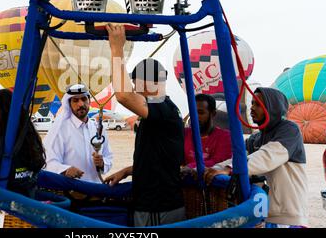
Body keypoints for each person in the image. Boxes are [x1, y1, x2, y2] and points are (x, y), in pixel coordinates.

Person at [105, 24, 186, 227]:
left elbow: (123, 96)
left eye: (135, 84)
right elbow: (157, 160)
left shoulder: (164, 110)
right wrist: (127, 171)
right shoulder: (159, 114)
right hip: (150, 204)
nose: (134, 89)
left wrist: (116, 48)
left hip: (158, 208)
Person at [204, 87, 308, 228]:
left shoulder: (290, 130)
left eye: (258, 104)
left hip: (287, 216)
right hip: (266, 214)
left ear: (273, 107)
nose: (252, 108)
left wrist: (230, 169)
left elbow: (268, 155)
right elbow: (238, 159)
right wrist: (214, 169)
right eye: (252, 103)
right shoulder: (256, 138)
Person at [44, 83, 113, 183]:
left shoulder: (98, 128)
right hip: (70, 191)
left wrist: (102, 163)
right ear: (69, 104)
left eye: (84, 99)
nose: (81, 104)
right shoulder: (61, 130)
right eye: (75, 100)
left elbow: (109, 158)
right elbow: (49, 163)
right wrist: (65, 170)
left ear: (89, 101)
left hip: (96, 190)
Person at [184, 93, 232, 169]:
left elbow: (219, 161)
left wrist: (191, 167)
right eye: (193, 112)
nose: (195, 117)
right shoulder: (185, 133)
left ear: (213, 114)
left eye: (201, 113)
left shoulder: (225, 137)